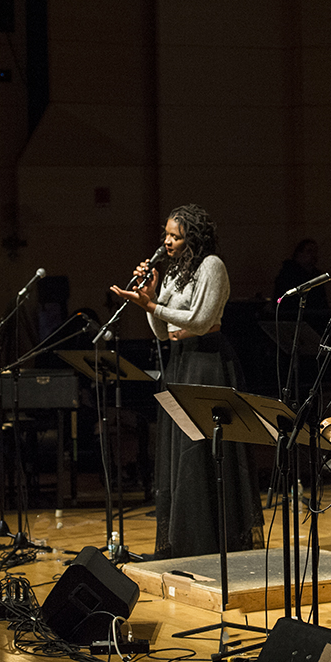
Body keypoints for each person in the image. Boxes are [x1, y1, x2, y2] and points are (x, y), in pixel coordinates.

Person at [110, 205, 263, 559]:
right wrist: (150, 296)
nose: (167, 242)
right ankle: (187, 542)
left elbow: (200, 320)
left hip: (208, 363)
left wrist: (152, 306)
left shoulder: (213, 266)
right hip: (179, 364)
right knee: (181, 452)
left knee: (205, 453)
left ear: (193, 237)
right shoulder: (175, 272)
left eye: (175, 236)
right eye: (166, 235)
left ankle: (217, 540)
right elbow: (163, 333)